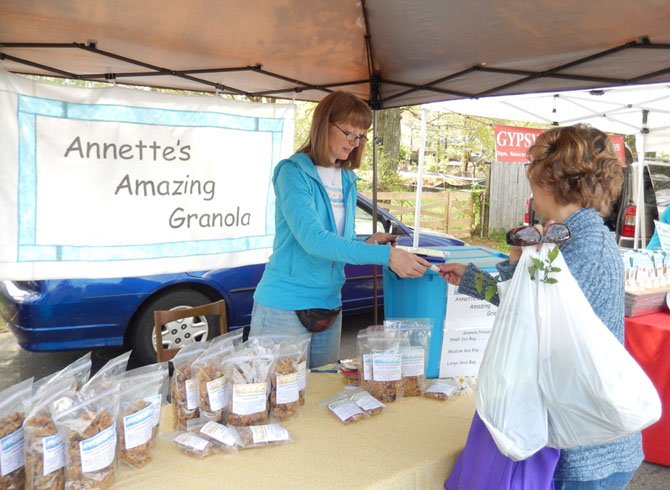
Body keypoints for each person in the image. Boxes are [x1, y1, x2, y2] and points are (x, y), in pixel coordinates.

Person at [440, 124, 643, 489]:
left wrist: (512, 264)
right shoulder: (577, 237)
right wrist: (475, 278)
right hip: (594, 435)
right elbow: (533, 298)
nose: (530, 188)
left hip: (586, 448)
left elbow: (530, 320)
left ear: (553, 180)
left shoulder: (581, 247)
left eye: (533, 176)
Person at [250, 91, 431, 367]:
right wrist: (387, 257)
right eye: (349, 133)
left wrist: (367, 243)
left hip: (330, 305)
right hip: (284, 306)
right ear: (324, 125)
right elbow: (314, 240)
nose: (355, 143)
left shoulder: (346, 178)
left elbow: (339, 240)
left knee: (321, 391)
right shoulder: (292, 173)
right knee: (282, 399)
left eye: (361, 136)